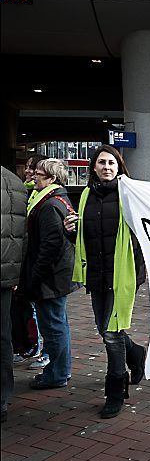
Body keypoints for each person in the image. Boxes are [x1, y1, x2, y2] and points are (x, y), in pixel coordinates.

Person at [64, 145, 148, 419]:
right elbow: (85, 238)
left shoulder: (129, 195)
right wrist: (72, 231)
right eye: (101, 162)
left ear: (119, 166)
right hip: (97, 274)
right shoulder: (87, 195)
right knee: (104, 328)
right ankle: (135, 353)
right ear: (94, 168)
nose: (106, 167)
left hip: (122, 275)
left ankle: (115, 390)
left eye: (111, 162)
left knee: (111, 335)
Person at [19, 158, 79, 390]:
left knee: (53, 327)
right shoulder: (55, 200)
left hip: (50, 278)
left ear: (52, 179)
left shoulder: (49, 205)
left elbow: (49, 246)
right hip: (56, 276)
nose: (33, 175)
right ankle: (61, 370)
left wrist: (34, 277)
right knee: (58, 325)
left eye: (39, 173)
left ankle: (56, 374)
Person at [2, 167, 28, 423]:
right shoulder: (15, 182)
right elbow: (23, 235)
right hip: (7, 275)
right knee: (3, 336)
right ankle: (3, 397)